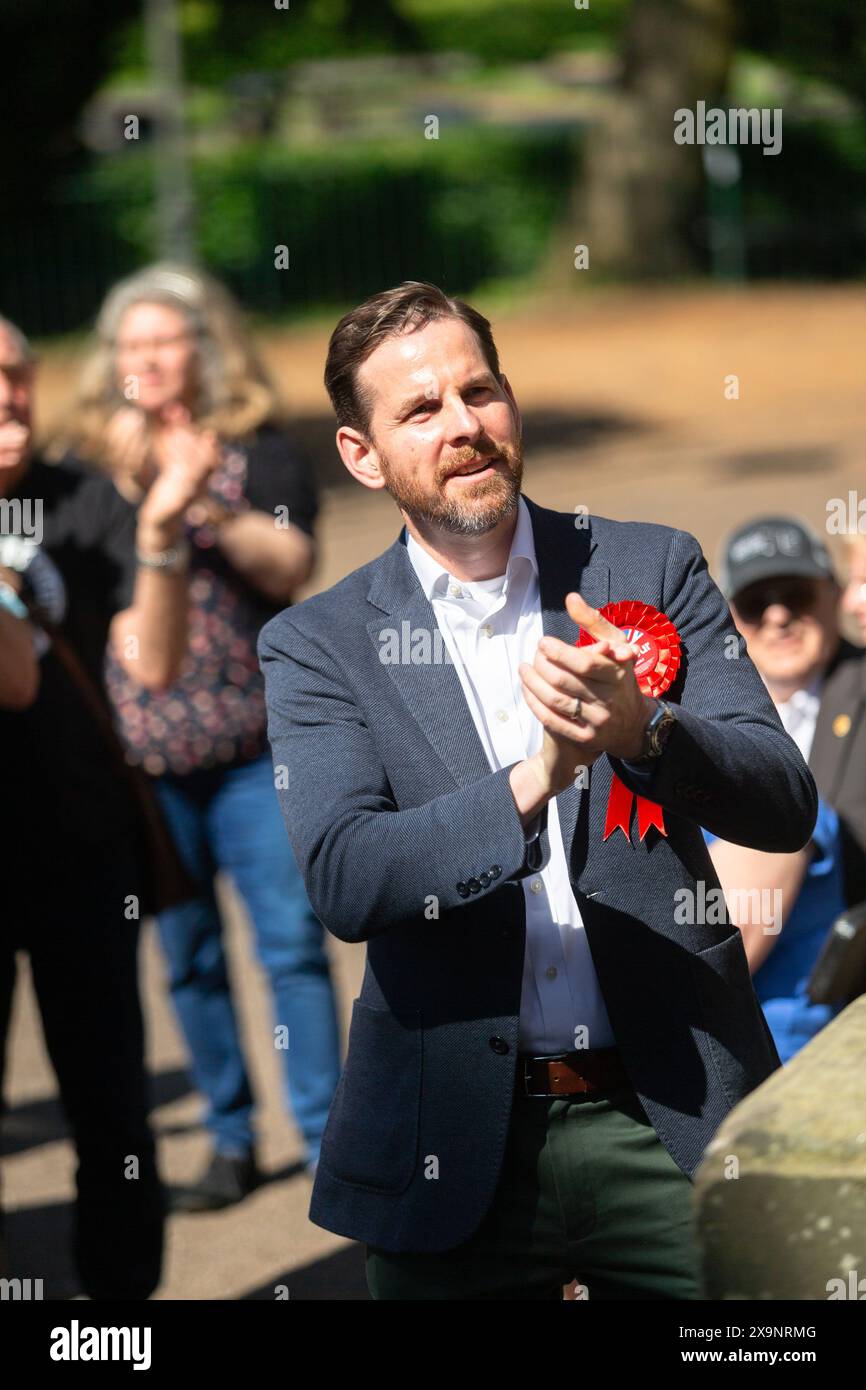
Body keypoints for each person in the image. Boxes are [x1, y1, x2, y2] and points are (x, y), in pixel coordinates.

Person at [258, 281, 817, 1301]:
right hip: (454, 1139)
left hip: (671, 1111)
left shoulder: (650, 562)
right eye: (420, 409)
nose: (463, 425)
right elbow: (347, 878)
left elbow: (780, 798)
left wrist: (645, 733)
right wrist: (538, 778)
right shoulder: (316, 643)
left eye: (480, 390)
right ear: (360, 454)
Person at [53, 265, 341, 1206]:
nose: (145, 358)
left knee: (292, 944)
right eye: (129, 345)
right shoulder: (85, 471)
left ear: (202, 349)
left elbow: (291, 563)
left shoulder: (256, 451)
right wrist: (147, 493)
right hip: (141, 763)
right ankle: (228, 1138)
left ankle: (328, 1134)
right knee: (189, 957)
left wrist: (200, 498)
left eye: (163, 340)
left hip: (258, 749)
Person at [0, 314, 166, 1299]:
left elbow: (152, 661)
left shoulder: (87, 501)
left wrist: (163, 525)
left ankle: (118, 1323)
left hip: (80, 853)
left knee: (110, 1109)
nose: (9, 393)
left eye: (19, 373)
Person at [705, 516, 866, 1062]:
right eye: (755, 602)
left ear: (835, 593)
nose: (777, 616)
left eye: (795, 594)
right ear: (730, 617)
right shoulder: (697, 712)